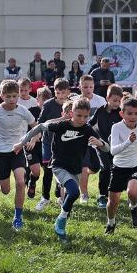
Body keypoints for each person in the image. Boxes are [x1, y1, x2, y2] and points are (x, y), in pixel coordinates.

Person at [13, 99, 109, 242]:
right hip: (59, 166)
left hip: (75, 169)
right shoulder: (61, 125)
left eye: (85, 116)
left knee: (73, 195)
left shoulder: (88, 129)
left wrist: (100, 143)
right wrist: (22, 142)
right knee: (74, 192)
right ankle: (61, 221)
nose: (82, 119)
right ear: (71, 113)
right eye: (78, 115)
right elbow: (39, 127)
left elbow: (107, 148)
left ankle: (62, 219)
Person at [0, 80, 37, 231]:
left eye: (14, 96)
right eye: (8, 96)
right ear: (1, 96)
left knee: (21, 182)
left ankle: (18, 216)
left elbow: (35, 126)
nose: (11, 99)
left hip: (17, 150)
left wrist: (33, 139)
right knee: (6, 190)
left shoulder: (22, 110)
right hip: (0, 152)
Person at [104, 98, 137, 233]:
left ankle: (134, 207)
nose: (133, 117)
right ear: (122, 114)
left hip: (136, 166)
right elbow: (113, 150)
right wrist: (128, 141)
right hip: (118, 168)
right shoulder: (116, 127)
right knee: (112, 202)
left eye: (136, 113)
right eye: (129, 113)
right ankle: (111, 223)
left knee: (132, 192)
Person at [35, 79, 71, 211]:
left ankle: (62, 198)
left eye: (63, 92)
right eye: (58, 92)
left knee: (63, 170)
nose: (60, 95)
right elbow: (41, 123)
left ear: (68, 92)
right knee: (48, 170)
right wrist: (34, 137)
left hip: (65, 143)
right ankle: (45, 197)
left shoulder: (72, 104)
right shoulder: (48, 104)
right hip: (48, 142)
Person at [88, 84, 123, 208]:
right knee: (105, 168)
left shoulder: (120, 113)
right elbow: (90, 123)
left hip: (115, 146)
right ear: (107, 98)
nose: (116, 103)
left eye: (119, 101)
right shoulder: (100, 110)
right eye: (114, 100)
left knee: (115, 170)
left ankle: (112, 193)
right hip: (100, 145)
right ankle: (102, 196)